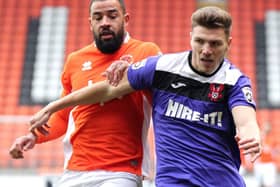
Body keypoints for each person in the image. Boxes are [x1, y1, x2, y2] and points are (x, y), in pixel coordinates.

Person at [14, 6, 262, 187]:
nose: (206, 50)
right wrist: (44, 119)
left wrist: (252, 136)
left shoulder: (232, 80)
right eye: (200, 41)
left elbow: (247, 121)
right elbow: (100, 94)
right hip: (157, 180)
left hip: (205, 179)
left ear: (228, 43)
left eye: (215, 44)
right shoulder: (159, 67)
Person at [9, 0, 161, 187]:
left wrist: (133, 71)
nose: (104, 22)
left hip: (121, 170)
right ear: (90, 23)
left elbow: (159, 100)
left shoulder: (146, 52)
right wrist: (34, 137)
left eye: (112, 16)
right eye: (98, 17)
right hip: (75, 170)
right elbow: (64, 117)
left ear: (125, 19)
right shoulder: (75, 60)